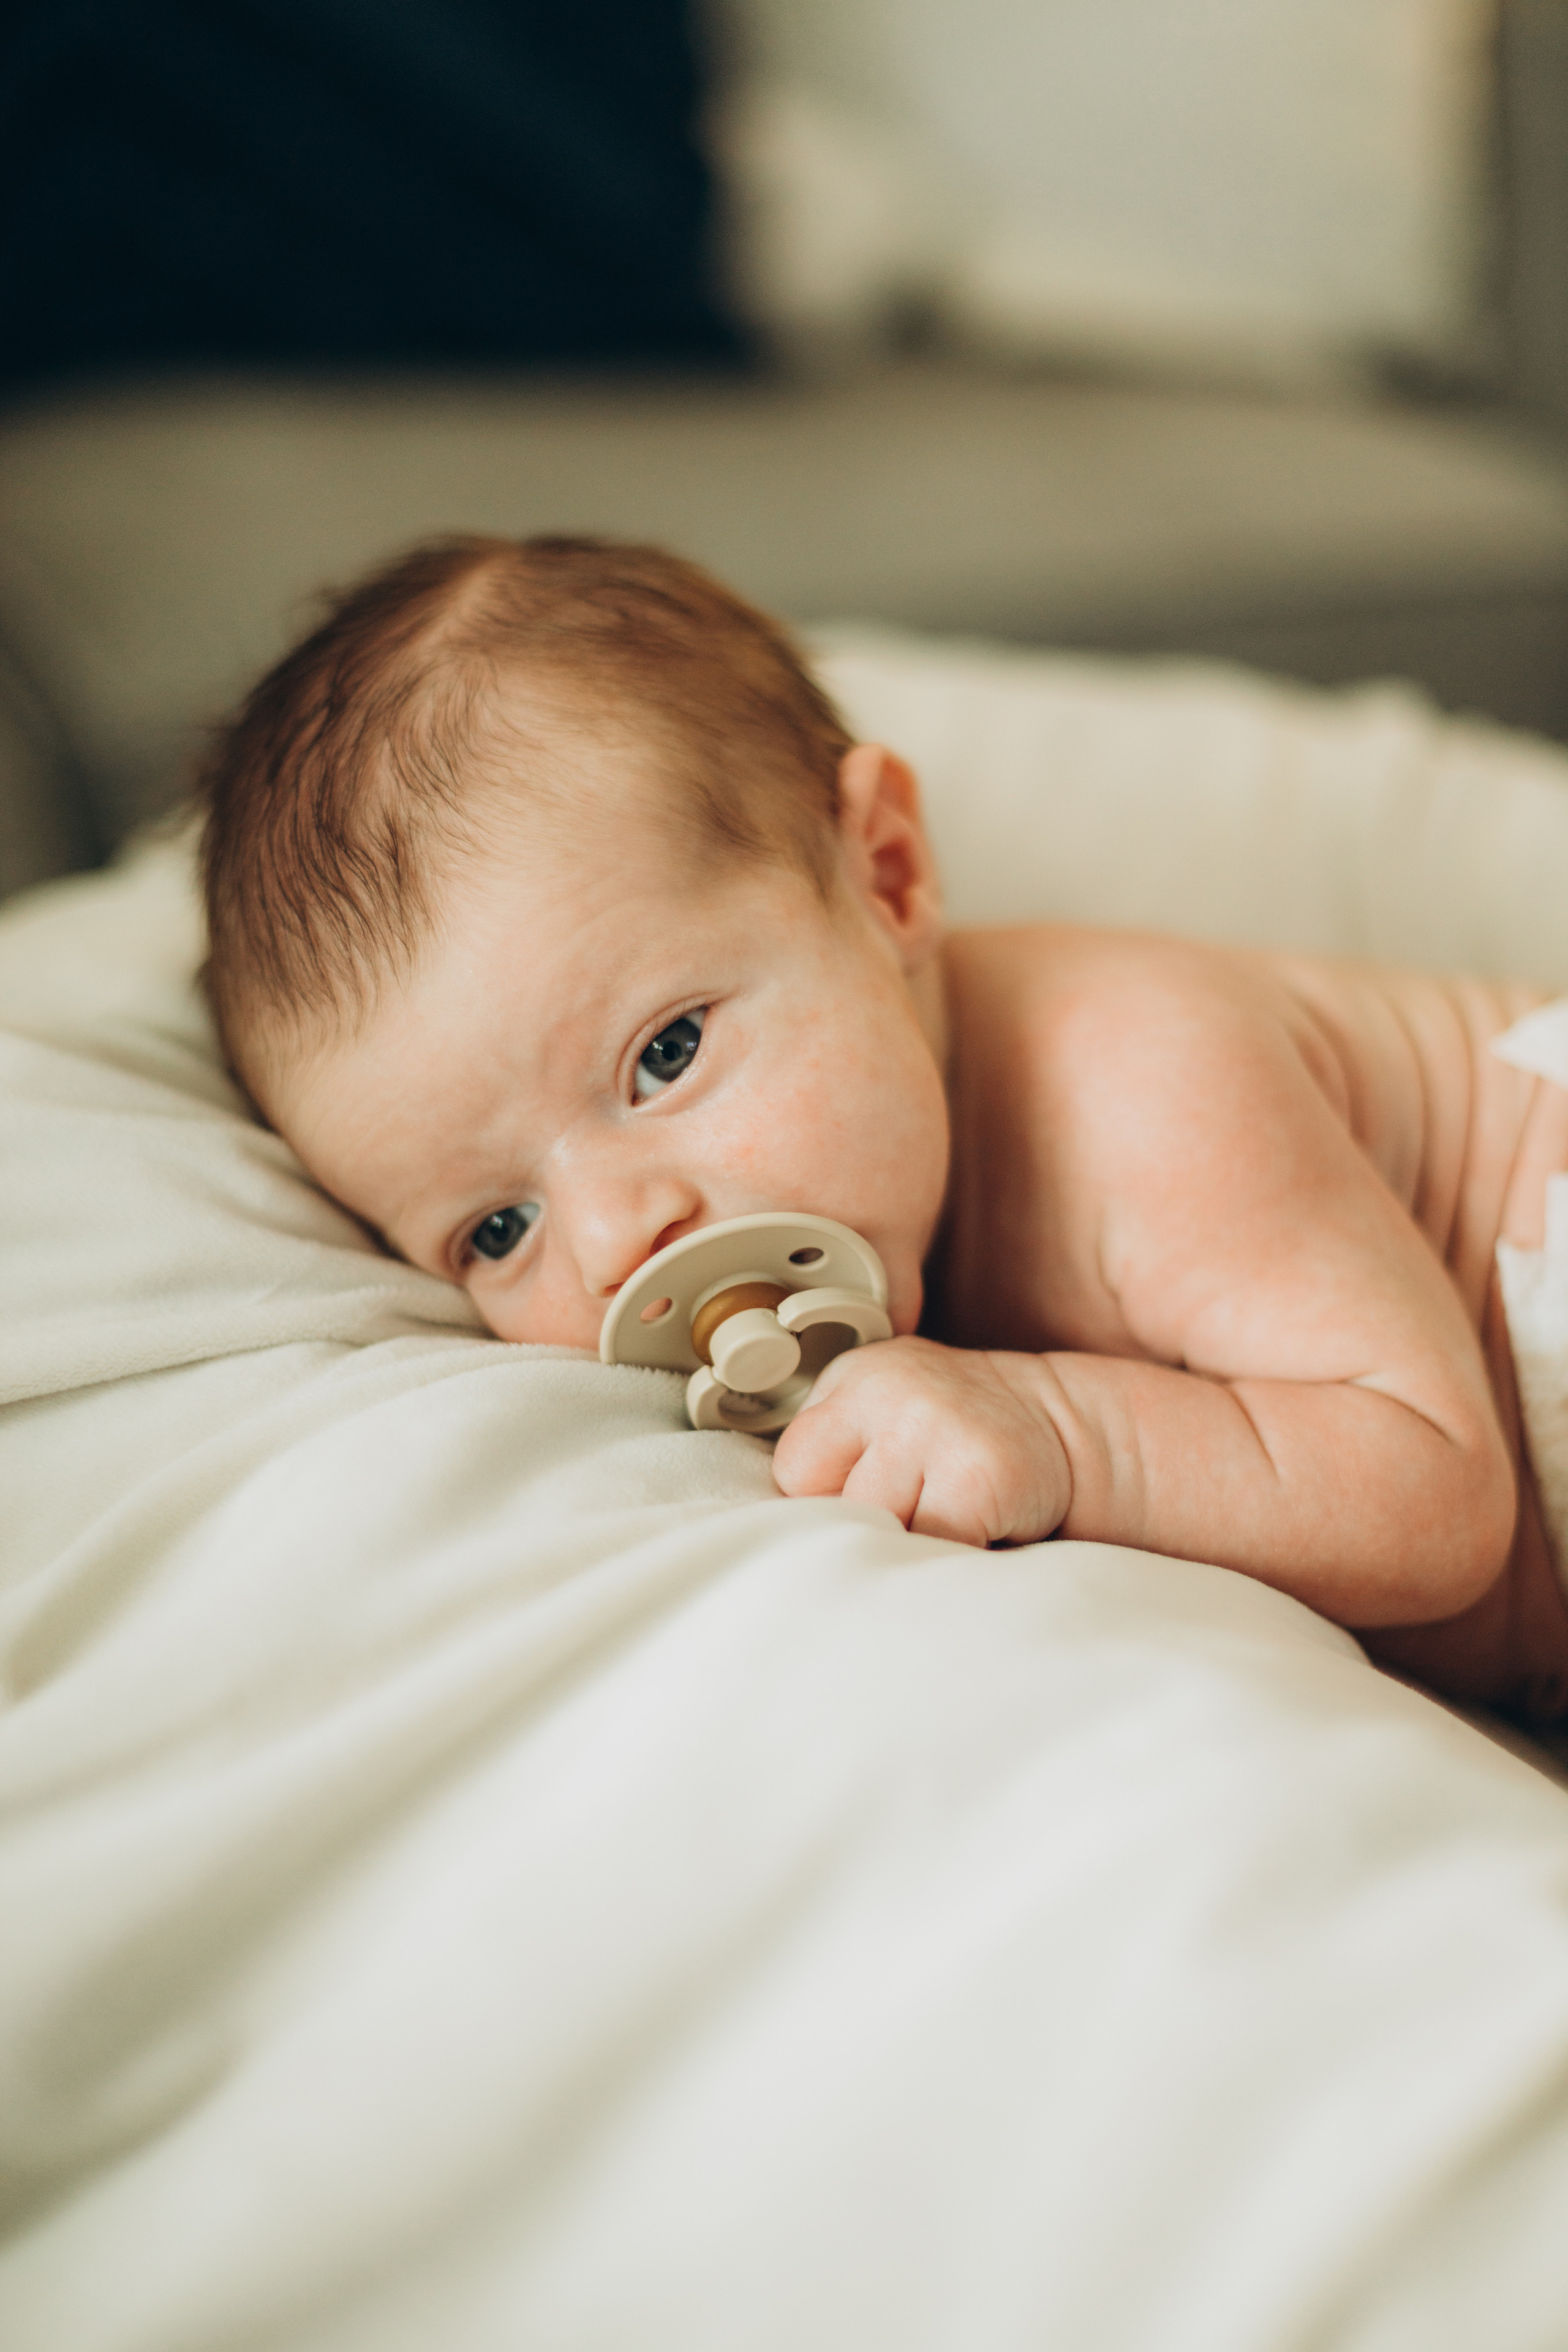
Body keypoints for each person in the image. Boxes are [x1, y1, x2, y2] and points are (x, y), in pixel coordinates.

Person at [200, 533, 1568, 1722]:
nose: (620, 1238)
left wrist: (1061, 1429)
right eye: (498, 1227)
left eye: (664, 1055)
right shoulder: (847, 1227)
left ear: (887, 879)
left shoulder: (1135, 1086)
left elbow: (1433, 1495)